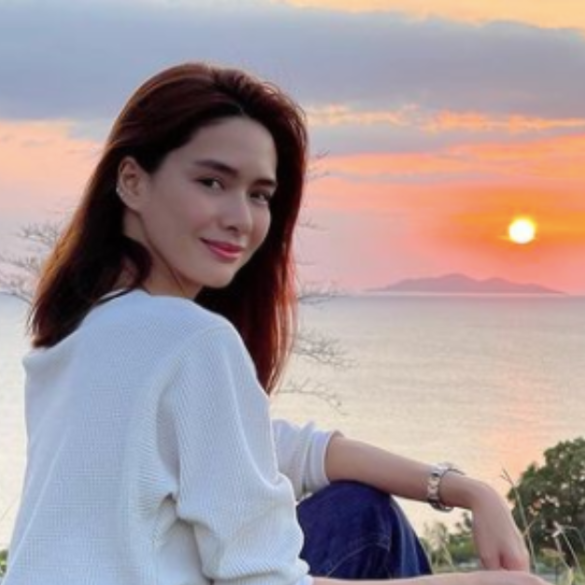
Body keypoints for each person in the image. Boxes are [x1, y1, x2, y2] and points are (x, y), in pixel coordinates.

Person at [3, 62, 544, 585]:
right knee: (370, 521)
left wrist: (468, 491)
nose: (241, 218)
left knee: (357, 507)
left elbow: (281, 448)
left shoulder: (80, 330)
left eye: (259, 195)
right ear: (132, 181)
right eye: (212, 182)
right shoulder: (191, 338)